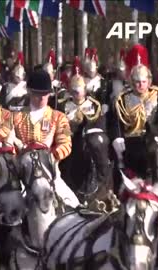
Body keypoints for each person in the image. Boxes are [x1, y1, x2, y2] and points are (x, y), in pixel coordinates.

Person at [110, 44, 158, 181]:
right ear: (132, 81)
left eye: (144, 82)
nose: (141, 85)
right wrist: (117, 138)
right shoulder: (122, 99)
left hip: (154, 140)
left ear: (149, 81)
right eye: (137, 82)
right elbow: (116, 124)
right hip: (131, 141)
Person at [59, 59, 111, 203]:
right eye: (74, 92)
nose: (77, 94)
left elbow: (99, 125)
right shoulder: (63, 106)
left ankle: (103, 179)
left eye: (79, 91)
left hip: (88, 141)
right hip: (69, 141)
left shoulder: (94, 105)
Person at [13, 70, 72, 161]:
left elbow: (66, 143)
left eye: (45, 93)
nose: (42, 98)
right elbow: (7, 142)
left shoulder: (60, 117)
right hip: (21, 165)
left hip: (49, 165)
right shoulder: (16, 116)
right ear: (29, 91)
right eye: (38, 93)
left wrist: (52, 156)